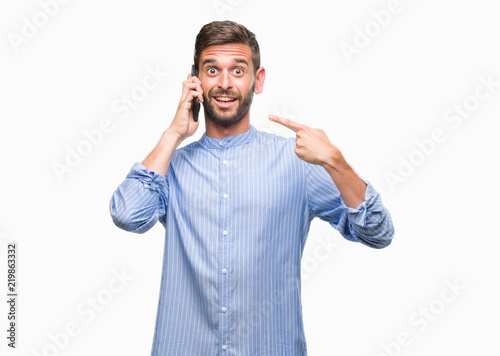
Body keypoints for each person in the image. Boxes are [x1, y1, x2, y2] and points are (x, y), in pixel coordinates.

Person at [109, 20, 394, 356]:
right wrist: (173, 134)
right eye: (212, 70)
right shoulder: (170, 166)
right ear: (195, 81)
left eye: (238, 70)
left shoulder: (298, 162)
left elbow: (378, 233)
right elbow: (128, 215)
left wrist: (336, 163)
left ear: (257, 80)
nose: (225, 83)